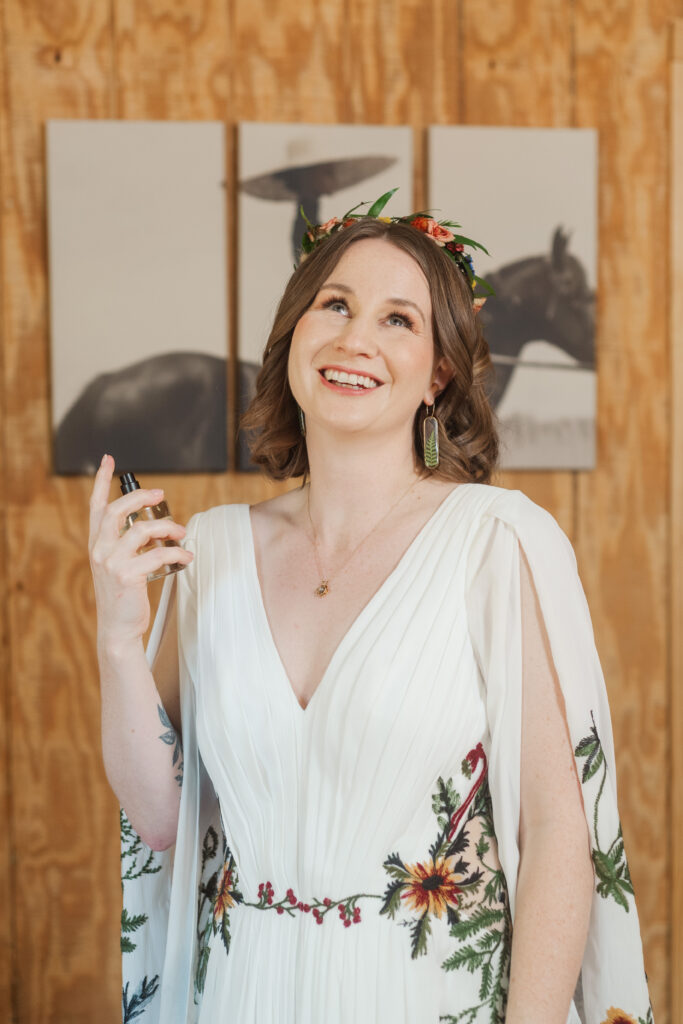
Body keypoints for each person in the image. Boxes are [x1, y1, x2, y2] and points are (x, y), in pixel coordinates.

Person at [89, 193, 654, 1024]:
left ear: (439, 372)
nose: (356, 338)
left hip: (426, 995)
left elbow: (558, 838)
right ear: (293, 335)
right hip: (246, 994)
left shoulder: (497, 544)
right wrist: (117, 636)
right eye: (336, 305)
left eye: (399, 320)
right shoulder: (209, 554)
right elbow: (161, 818)